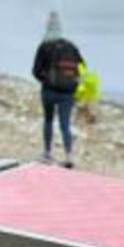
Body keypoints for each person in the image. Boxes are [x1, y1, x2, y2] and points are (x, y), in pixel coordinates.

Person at [32, 11, 84, 168]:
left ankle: (48, 153)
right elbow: (83, 68)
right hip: (68, 93)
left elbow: (35, 71)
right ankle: (69, 156)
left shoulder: (44, 46)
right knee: (65, 124)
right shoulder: (71, 46)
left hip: (49, 91)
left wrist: (46, 81)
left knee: (48, 120)